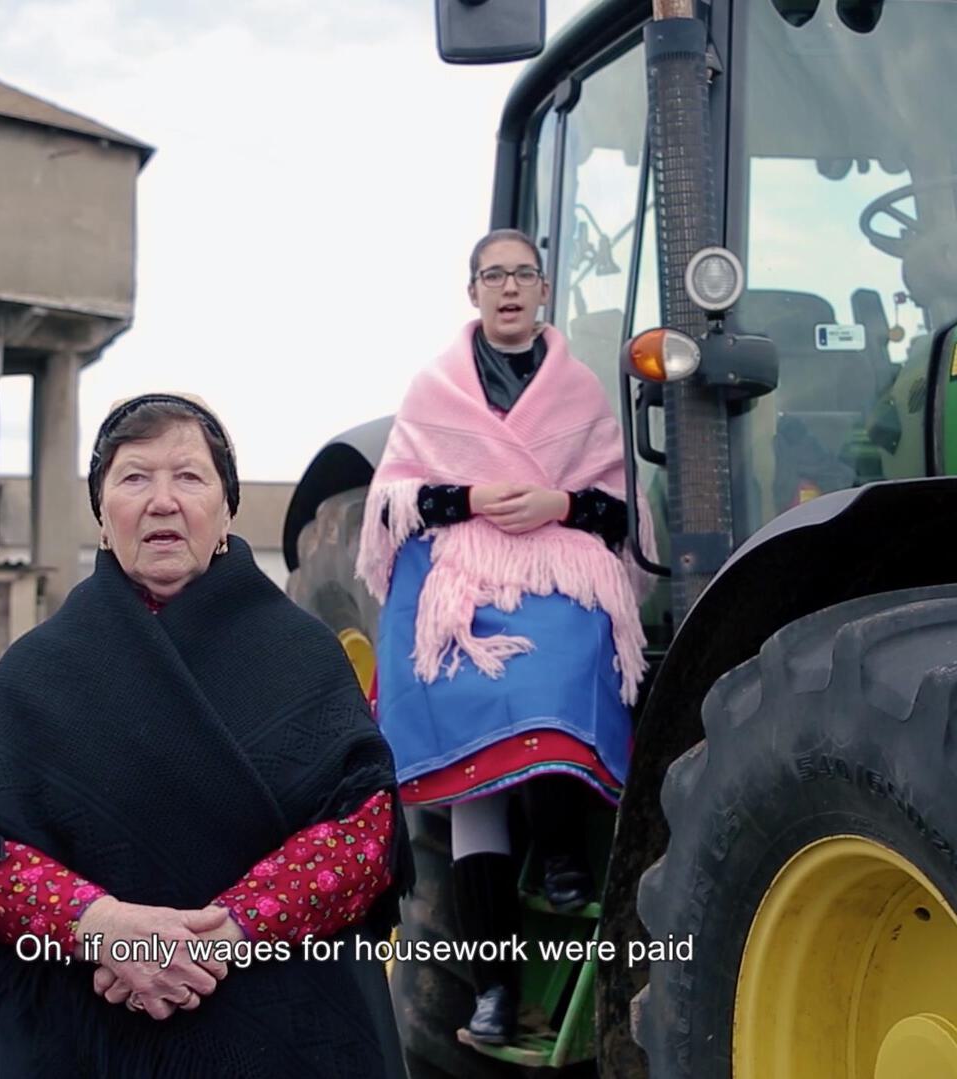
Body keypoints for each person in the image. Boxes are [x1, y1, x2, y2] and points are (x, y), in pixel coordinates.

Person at [0, 393, 411, 1078]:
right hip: (76, 1017)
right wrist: (101, 925)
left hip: (272, 1009)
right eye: (135, 477)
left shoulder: (303, 654)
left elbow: (364, 834)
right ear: (102, 509)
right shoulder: (40, 666)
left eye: (189, 476)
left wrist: (228, 931)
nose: (163, 501)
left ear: (227, 507)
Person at [355, 228, 646, 1046]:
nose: (509, 288)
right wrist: (476, 495)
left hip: (555, 565)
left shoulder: (582, 392)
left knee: (555, 668)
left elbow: (619, 513)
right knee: (473, 767)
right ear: (473, 291)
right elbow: (394, 502)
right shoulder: (434, 389)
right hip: (463, 575)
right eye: (494, 275)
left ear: (544, 291)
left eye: (523, 275)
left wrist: (559, 507)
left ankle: (562, 854)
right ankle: (492, 988)